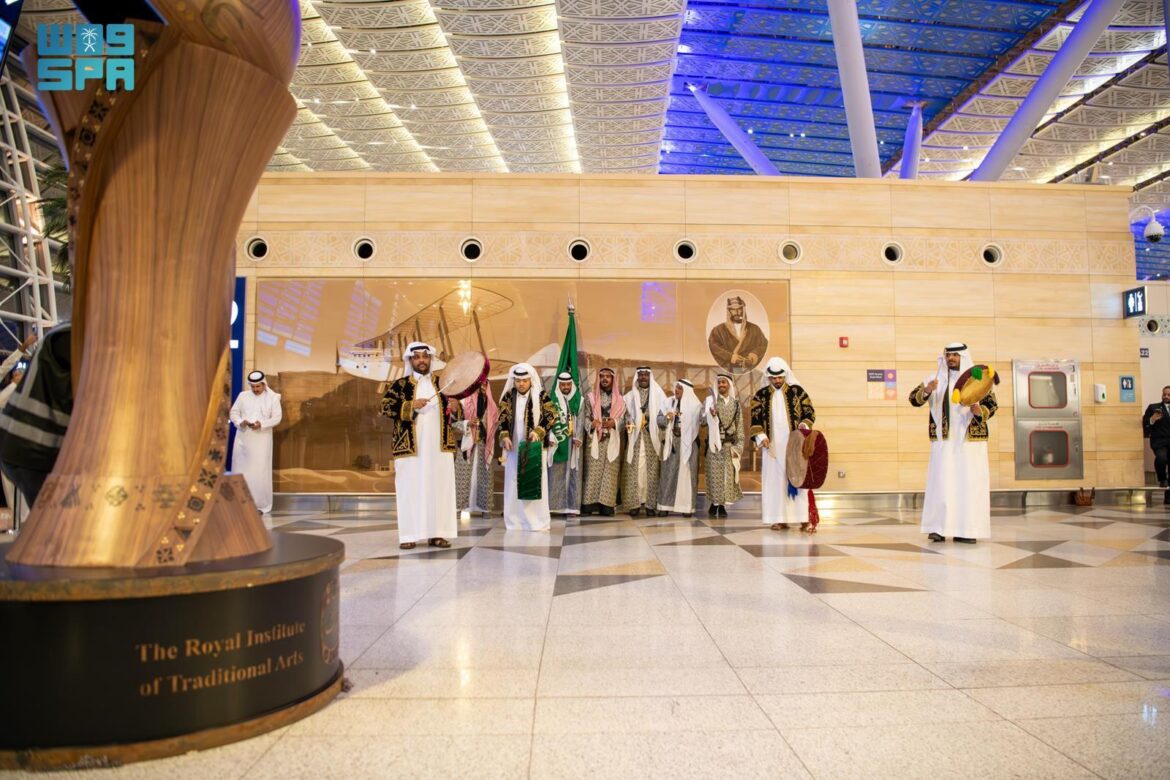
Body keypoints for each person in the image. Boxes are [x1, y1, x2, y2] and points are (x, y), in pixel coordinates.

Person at [909, 342, 998, 544]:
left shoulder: (978, 378)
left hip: (970, 442)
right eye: (948, 355)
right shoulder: (934, 379)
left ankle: (967, 530)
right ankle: (938, 528)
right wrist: (927, 391)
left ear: (963, 357)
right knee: (941, 483)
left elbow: (992, 404)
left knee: (969, 483)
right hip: (944, 442)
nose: (951, 358)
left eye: (955, 355)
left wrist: (980, 411)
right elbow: (913, 399)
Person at [381, 342, 461, 549]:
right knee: (410, 490)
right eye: (416, 357)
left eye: (425, 356)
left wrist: (455, 407)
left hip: (439, 448)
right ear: (410, 360)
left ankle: (438, 534)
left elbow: (455, 413)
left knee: (439, 490)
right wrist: (411, 405)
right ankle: (409, 535)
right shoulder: (400, 385)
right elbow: (385, 407)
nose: (421, 360)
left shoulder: (443, 384)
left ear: (430, 359)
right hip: (409, 448)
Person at [0, 323, 72, 509]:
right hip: (26, 445)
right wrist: (15, 384)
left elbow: (3, 369)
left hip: (17, 443)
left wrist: (21, 349)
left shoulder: (61, 337)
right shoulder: (68, 338)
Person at [750, 357, 816, 532]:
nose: (777, 381)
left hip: (795, 447)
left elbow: (809, 412)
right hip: (772, 448)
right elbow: (755, 419)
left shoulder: (797, 392)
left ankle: (803, 519)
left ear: (785, 375)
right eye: (774, 378)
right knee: (775, 483)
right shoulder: (761, 396)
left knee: (799, 481)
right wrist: (761, 436)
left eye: (780, 377)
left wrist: (804, 426)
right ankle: (779, 519)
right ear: (769, 377)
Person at [498, 363, 559, 531]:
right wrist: (504, 436)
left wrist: (539, 431)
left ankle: (536, 521)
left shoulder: (541, 395)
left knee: (534, 481)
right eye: (518, 381)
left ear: (531, 380)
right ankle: (515, 521)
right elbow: (502, 417)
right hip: (514, 449)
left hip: (534, 447)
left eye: (524, 381)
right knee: (513, 482)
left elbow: (551, 415)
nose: (521, 384)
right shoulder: (508, 397)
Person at [229, 370, 283, 515]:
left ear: (264, 384)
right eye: (253, 387)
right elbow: (234, 413)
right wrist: (241, 422)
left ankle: (259, 505)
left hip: (262, 440)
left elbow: (277, 417)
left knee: (259, 472)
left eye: (258, 386)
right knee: (241, 470)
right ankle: (240, 503)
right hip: (243, 439)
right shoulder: (243, 396)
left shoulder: (273, 398)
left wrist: (261, 424)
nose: (255, 389)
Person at [620, 366, 667, 517]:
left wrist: (657, 421)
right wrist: (629, 420)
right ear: (637, 377)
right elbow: (624, 415)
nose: (643, 377)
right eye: (640, 375)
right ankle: (634, 504)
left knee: (651, 472)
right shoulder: (629, 396)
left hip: (652, 439)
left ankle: (650, 505)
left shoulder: (659, 395)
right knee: (634, 471)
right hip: (635, 438)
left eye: (646, 375)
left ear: (650, 376)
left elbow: (663, 414)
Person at [581, 367, 626, 516]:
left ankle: (606, 506)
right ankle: (589, 505)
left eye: (608, 376)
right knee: (592, 472)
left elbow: (625, 419)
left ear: (613, 379)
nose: (605, 379)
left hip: (612, 440)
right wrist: (591, 424)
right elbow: (585, 417)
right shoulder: (590, 398)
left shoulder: (620, 400)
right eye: (602, 376)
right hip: (595, 440)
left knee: (609, 473)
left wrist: (615, 422)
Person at [657, 379, 703, 517]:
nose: (676, 390)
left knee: (687, 476)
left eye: (680, 388)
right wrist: (667, 418)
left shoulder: (696, 406)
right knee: (668, 474)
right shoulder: (668, 402)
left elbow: (704, 422)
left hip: (690, 444)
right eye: (676, 387)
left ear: (687, 391)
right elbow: (659, 421)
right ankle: (664, 506)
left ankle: (686, 507)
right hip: (672, 443)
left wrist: (711, 414)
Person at [454, 379, 498, 517]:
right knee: (463, 477)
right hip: (467, 445)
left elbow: (495, 424)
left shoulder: (492, 406)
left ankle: (485, 508)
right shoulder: (463, 402)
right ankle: (458, 508)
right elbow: (452, 424)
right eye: (479, 385)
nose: (482, 388)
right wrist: (467, 423)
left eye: (485, 385)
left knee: (484, 477)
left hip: (484, 446)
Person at [703, 373, 744, 518]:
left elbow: (739, 426)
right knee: (714, 477)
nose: (721, 385)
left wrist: (739, 447)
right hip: (714, 445)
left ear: (729, 385)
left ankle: (722, 506)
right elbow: (702, 422)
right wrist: (710, 414)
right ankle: (714, 504)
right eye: (719, 382)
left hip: (729, 446)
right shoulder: (710, 402)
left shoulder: (736, 404)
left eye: (724, 382)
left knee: (727, 477)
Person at [547, 371, 584, 517]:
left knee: (573, 473)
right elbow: (548, 421)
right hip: (557, 442)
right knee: (556, 473)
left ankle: (571, 508)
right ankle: (555, 507)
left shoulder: (579, 400)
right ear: (559, 385)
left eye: (568, 384)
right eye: (563, 384)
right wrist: (551, 436)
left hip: (573, 443)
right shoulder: (552, 400)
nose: (566, 387)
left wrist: (578, 436)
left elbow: (581, 419)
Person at [708, 296, 768, 374]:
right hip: (728, 369)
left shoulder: (754, 328)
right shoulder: (718, 330)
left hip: (748, 369)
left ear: (743, 310)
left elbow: (764, 344)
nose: (736, 313)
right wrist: (731, 357)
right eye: (733, 310)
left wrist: (754, 353)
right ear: (729, 311)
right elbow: (713, 347)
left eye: (739, 309)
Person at [1143, 386, 1170, 487]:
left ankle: (1168, 495)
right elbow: (1145, 422)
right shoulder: (1153, 408)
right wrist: (1152, 419)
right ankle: (1162, 479)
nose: (1166, 396)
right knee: (1161, 458)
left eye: (1169, 395)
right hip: (1159, 442)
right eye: (1164, 394)